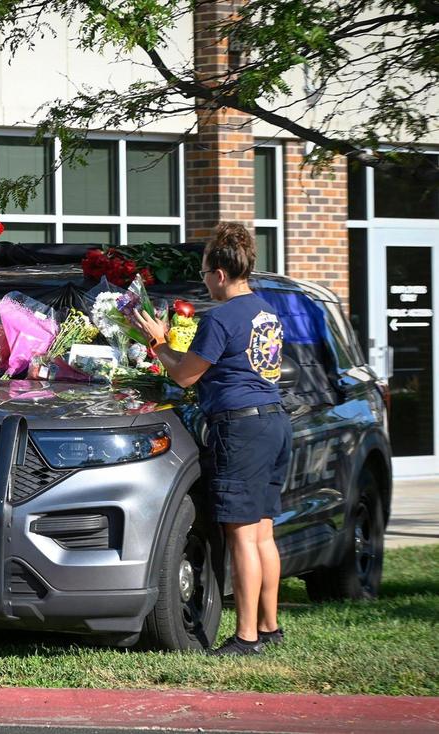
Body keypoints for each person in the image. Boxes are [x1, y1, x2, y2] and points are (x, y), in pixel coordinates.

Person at [128, 221, 291, 656]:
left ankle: (246, 638)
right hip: (274, 421)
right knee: (261, 533)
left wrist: (158, 344)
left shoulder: (219, 318)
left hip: (240, 427)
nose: (204, 282)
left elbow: (184, 376)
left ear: (220, 274)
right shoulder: (265, 311)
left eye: (204, 274)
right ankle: (270, 628)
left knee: (240, 536)